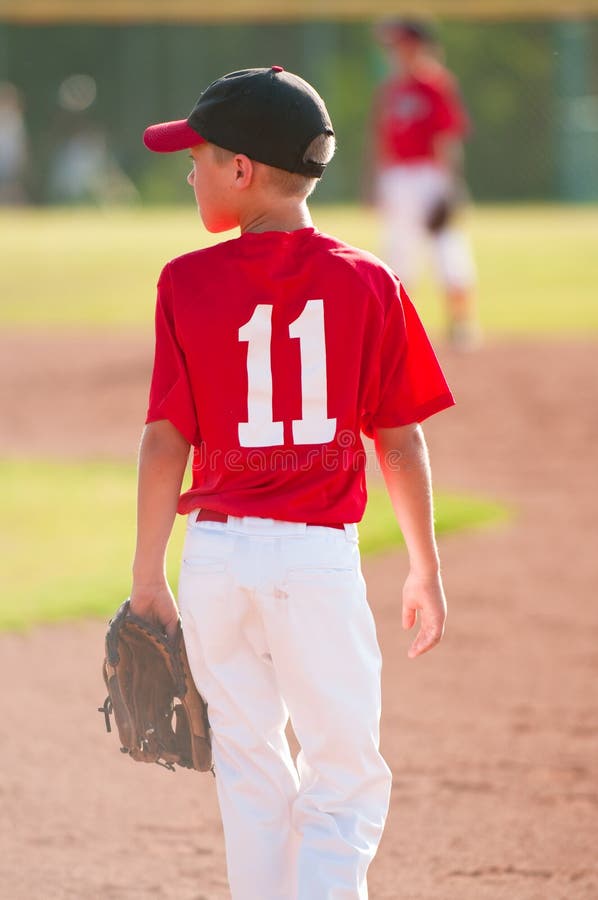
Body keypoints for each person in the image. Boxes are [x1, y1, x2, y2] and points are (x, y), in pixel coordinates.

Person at [130, 66, 453, 899]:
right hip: (315, 563)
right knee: (343, 776)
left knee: (248, 767)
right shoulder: (369, 280)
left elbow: (165, 442)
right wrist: (424, 564)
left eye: (198, 157)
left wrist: (145, 575)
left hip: (216, 564)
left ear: (241, 170)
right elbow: (401, 440)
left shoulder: (185, 281)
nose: (188, 170)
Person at [369, 19, 480, 350]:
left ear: (417, 45)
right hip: (397, 177)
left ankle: (461, 324)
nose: (393, 52)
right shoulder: (391, 89)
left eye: (399, 45)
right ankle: (399, 331)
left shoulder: (435, 84)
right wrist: (378, 183)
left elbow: (446, 138)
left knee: (448, 249)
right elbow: (382, 140)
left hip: (430, 174)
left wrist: (450, 185)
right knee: (398, 253)